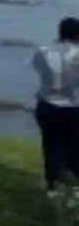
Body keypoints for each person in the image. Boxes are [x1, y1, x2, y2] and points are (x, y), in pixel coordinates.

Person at [31, 17, 79, 192]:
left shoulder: (43, 52)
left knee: (51, 146)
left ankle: (53, 184)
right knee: (74, 147)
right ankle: (74, 185)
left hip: (47, 105)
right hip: (74, 107)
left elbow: (39, 68)